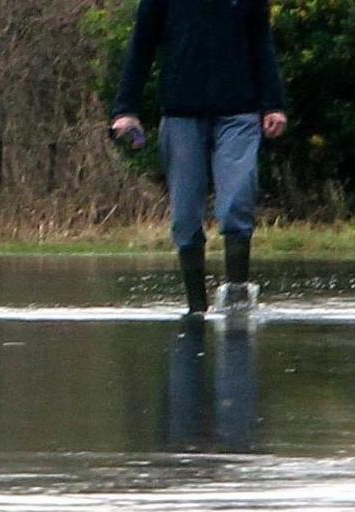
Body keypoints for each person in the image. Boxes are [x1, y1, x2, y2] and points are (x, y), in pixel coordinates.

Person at [111, 0, 288, 315]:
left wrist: (273, 104)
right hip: (181, 114)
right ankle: (196, 309)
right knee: (185, 217)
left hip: (239, 113)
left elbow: (263, 46)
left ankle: (237, 298)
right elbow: (141, 47)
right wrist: (126, 109)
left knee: (237, 202)